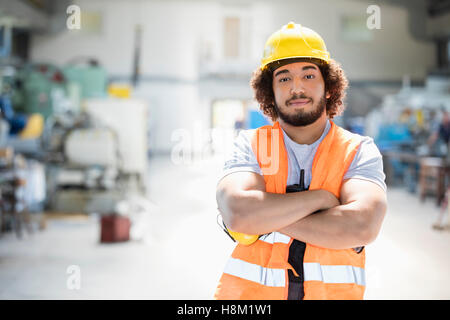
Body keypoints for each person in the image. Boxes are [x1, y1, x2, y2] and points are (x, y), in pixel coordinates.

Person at [214, 22, 387, 300]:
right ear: (270, 92)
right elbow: (238, 212)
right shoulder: (252, 144)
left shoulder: (357, 150)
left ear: (328, 87)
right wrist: (320, 199)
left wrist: (262, 219)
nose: (297, 88)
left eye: (308, 75)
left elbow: (362, 226)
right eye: (283, 78)